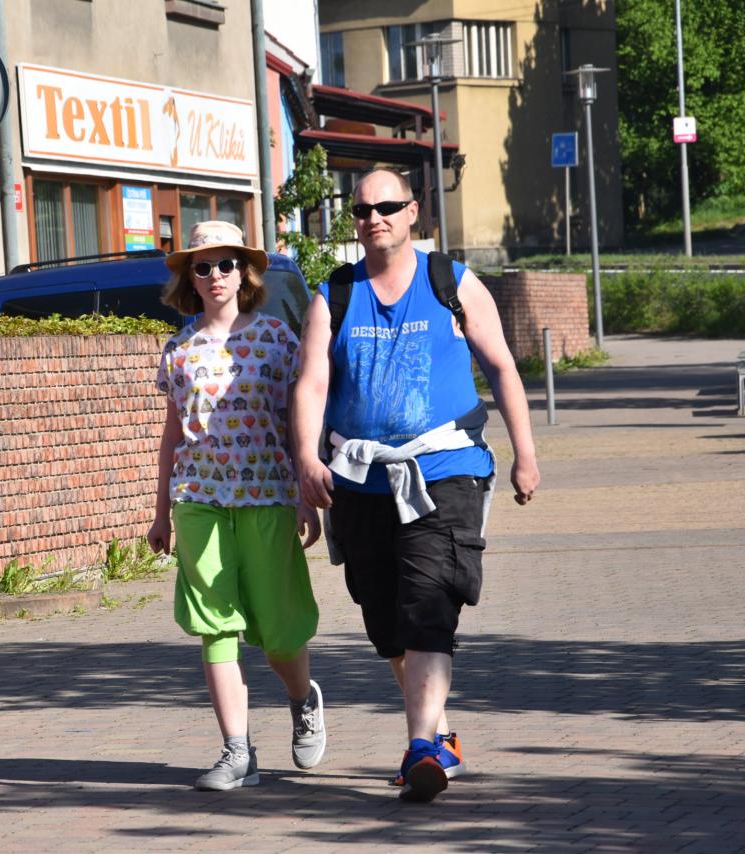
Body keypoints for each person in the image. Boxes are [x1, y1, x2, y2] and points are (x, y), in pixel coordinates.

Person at [292, 169, 540, 804]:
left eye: (387, 206)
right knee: (386, 622)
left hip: (445, 470)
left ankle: (420, 748)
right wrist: (305, 462)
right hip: (360, 479)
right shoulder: (334, 295)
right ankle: (440, 738)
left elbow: (501, 366)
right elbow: (311, 384)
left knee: (430, 601)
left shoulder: (451, 282)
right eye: (362, 209)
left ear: (412, 212)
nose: (374, 217)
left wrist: (526, 454)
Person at [147, 221, 326, 791]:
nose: (215, 275)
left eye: (226, 264)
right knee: (214, 625)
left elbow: (298, 419)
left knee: (278, 631)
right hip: (198, 499)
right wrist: (160, 512)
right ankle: (237, 752)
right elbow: (172, 436)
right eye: (202, 267)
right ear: (189, 279)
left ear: (244, 273)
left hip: (267, 495)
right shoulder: (178, 350)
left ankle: (302, 698)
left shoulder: (277, 338)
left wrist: (305, 493)